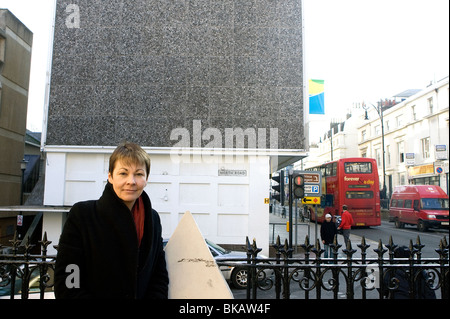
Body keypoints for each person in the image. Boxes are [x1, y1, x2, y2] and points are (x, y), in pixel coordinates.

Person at [54, 142, 169, 299]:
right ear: (110, 176)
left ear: (146, 178)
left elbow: (158, 275)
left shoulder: (153, 219)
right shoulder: (82, 216)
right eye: (123, 173)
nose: (131, 181)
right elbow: (68, 281)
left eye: (139, 174)